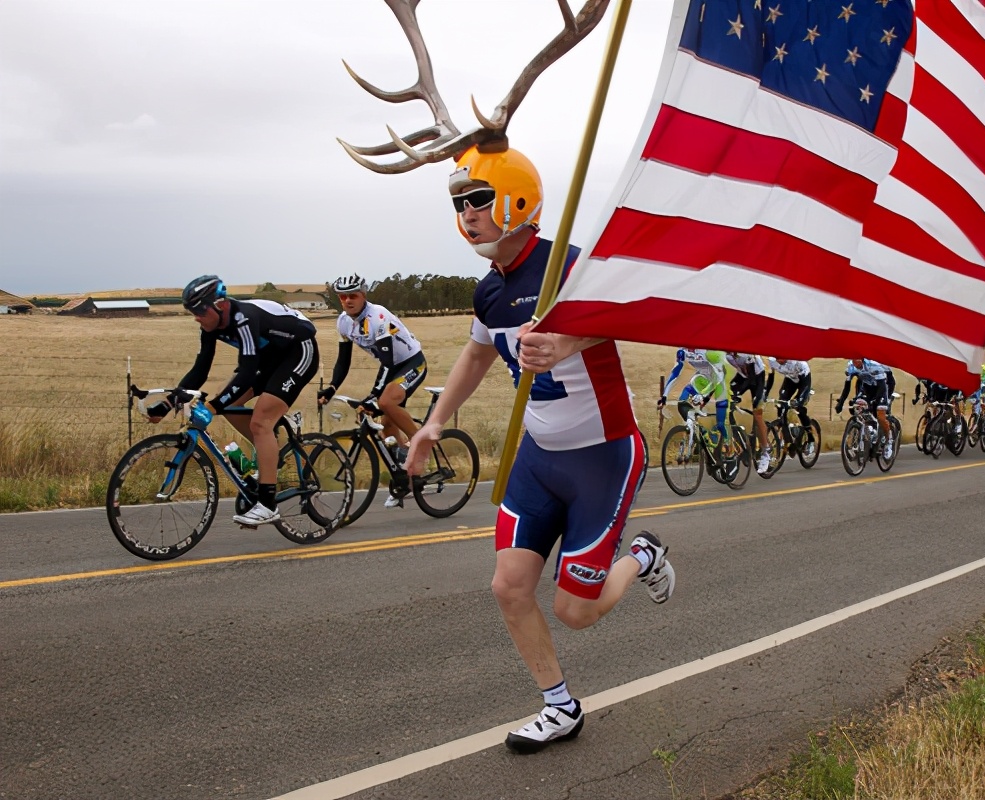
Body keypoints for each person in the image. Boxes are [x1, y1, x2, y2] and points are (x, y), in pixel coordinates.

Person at [403, 145, 675, 754]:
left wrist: (569, 342)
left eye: (478, 200)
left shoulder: (570, 267)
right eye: (459, 204)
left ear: (515, 199)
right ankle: (560, 707)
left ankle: (643, 555)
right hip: (539, 457)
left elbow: (642, 314)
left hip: (602, 455)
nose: (467, 214)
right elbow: (477, 354)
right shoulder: (489, 292)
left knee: (576, 613)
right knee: (509, 587)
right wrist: (434, 423)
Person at [148, 275, 319, 526]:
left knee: (260, 421)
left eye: (199, 311)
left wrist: (212, 407)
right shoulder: (210, 326)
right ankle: (271, 453)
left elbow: (247, 373)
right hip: (269, 357)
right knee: (227, 401)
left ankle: (268, 505)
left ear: (220, 305)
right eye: (192, 312)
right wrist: (167, 403)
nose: (196, 317)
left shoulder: (244, 318)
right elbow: (200, 371)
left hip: (298, 351)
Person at [317, 273, 426, 507]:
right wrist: (331, 388)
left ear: (363, 295)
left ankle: (420, 445)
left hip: (411, 363)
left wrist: (373, 396)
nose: (348, 301)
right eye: (343, 297)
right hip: (392, 367)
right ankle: (406, 478)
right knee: (387, 426)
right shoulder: (343, 322)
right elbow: (343, 361)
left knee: (385, 402)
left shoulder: (378, 317)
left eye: (353, 296)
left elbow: (388, 362)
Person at [659, 348, 730, 451]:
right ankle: (700, 433)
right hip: (702, 379)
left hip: (719, 382)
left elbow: (718, 376)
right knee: (682, 402)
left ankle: (729, 447)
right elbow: (675, 373)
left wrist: (704, 395)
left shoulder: (707, 352)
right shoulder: (683, 352)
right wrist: (664, 396)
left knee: (720, 425)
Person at [835, 358, 895, 459]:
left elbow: (882, 387)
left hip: (884, 386)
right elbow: (847, 386)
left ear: (862, 359)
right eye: (853, 359)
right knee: (859, 406)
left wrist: (875, 401)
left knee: (880, 415)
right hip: (867, 387)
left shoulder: (874, 365)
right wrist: (841, 402)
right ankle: (867, 430)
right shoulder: (850, 366)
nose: (855, 362)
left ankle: (889, 440)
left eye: (858, 359)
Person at [726, 352, 772, 474]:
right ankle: (738, 444)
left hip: (759, 378)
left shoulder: (744, 353)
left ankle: (765, 452)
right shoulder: (727, 355)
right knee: (727, 401)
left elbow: (751, 378)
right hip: (742, 376)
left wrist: (738, 393)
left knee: (757, 413)